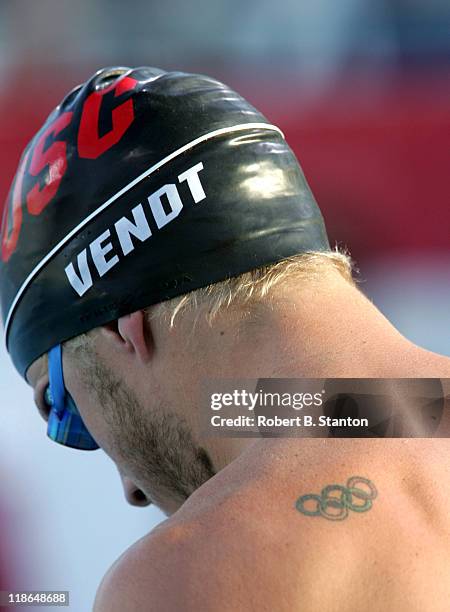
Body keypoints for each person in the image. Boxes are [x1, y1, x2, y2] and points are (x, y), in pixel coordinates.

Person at [2, 66, 450, 611]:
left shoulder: (193, 574)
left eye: (64, 410)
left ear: (125, 327)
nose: (132, 488)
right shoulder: (412, 414)